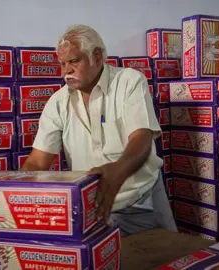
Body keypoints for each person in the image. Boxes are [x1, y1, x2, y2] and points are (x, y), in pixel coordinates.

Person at [21, 24, 177, 236]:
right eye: (63, 64)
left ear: (97, 56)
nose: (66, 70)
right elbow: (38, 161)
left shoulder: (128, 82)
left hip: (142, 204)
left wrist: (118, 168)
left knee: (166, 258)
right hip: (94, 210)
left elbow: (141, 138)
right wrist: (17, 193)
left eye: (74, 61)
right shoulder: (58, 102)